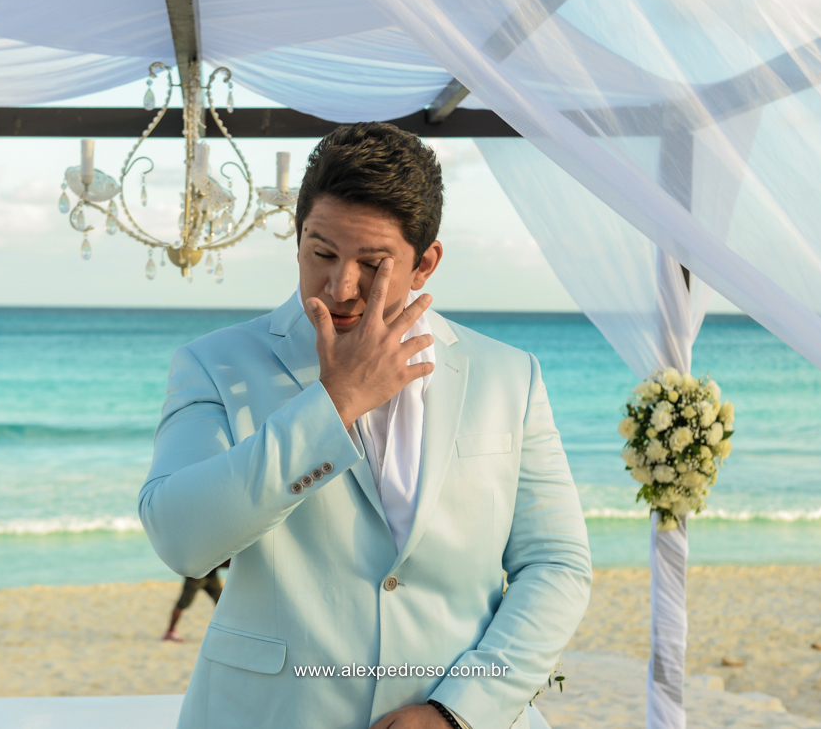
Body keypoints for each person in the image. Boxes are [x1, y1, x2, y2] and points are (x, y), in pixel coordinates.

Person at [138, 123, 592, 729]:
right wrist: (333, 403)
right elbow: (182, 539)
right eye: (320, 253)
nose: (340, 288)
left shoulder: (509, 376)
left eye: (373, 264)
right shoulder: (215, 365)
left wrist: (458, 712)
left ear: (424, 263)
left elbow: (557, 564)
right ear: (297, 238)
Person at [162, 561, 228, 642]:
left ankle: (221, 630)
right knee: (182, 604)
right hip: (196, 577)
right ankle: (170, 632)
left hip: (211, 575)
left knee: (221, 602)